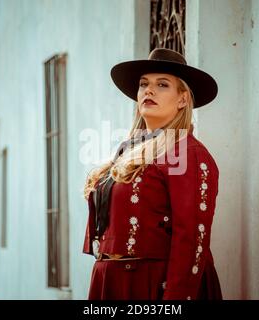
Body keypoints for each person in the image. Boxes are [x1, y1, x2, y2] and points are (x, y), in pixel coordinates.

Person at [82, 48, 222, 300]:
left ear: (182, 99)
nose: (149, 90)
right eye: (143, 84)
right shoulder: (127, 151)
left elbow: (191, 238)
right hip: (111, 283)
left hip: (152, 284)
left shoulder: (188, 152)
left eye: (162, 84)